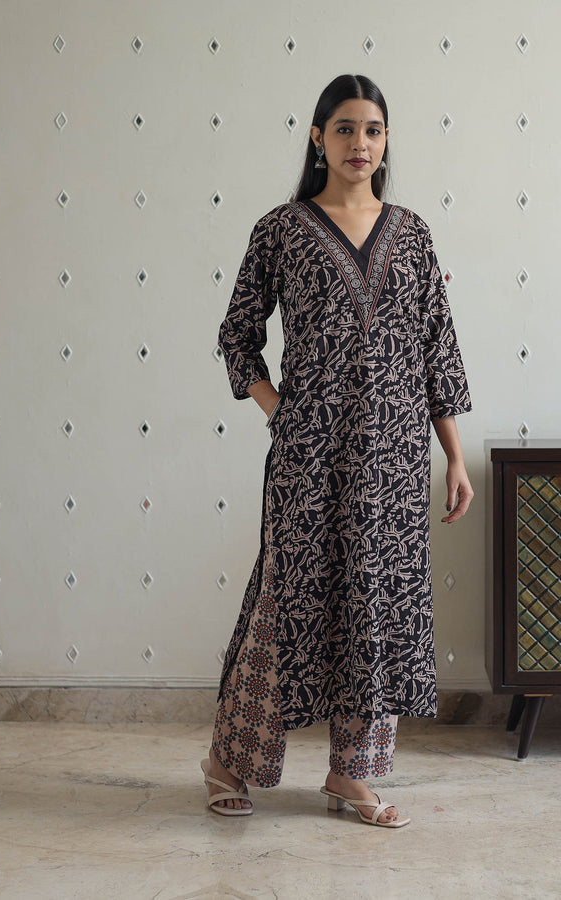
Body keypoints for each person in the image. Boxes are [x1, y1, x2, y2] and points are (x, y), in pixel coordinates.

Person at [202, 74, 472, 829]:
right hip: (309, 458)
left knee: (374, 604)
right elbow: (237, 335)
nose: (361, 144)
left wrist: (453, 455)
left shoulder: (412, 234)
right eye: (346, 128)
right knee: (283, 603)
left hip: (393, 460)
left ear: (387, 141)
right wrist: (281, 412)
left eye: (374, 130)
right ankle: (229, 761)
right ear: (318, 138)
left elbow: (437, 348)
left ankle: (352, 774)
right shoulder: (282, 230)